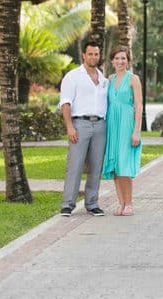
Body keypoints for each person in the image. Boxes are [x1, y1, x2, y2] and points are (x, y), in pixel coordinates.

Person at [59, 41, 109, 217]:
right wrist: (70, 127)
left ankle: (92, 203)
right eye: (90, 54)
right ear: (84, 55)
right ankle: (67, 204)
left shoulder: (103, 79)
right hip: (80, 124)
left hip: (100, 125)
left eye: (96, 54)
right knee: (75, 165)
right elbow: (65, 103)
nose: (93, 57)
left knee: (96, 166)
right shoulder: (73, 77)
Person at [102, 47, 143, 216]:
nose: (120, 61)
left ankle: (129, 203)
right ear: (112, 61)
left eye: (123, 58)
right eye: (117, 58)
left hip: (127, 124)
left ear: (128, 61)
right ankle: (121, 203)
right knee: (115, 165)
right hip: (112, 124)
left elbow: (139, 106)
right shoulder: (109, 79)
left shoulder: (133, 79)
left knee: (124, 164)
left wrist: (136, 131)